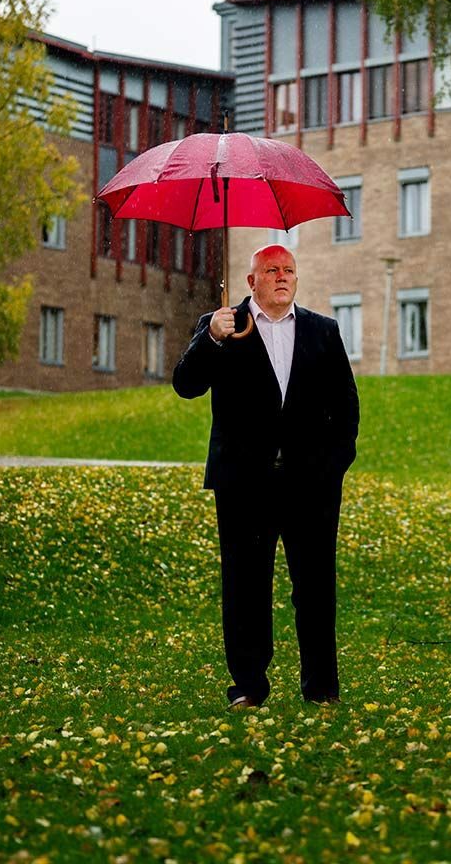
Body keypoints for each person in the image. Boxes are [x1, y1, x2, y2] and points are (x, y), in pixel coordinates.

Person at [172, 243, 359, 708]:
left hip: (310, 486)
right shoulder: (223, 326)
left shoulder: (323, 331)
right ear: (251, 281)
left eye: (289, 270)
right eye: (271, 270)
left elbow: (347, 408)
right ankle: (249, 687)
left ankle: (321, 687)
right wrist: (210, 338)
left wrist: (332, 468)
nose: (282, 277)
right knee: (245, 587)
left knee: (315, 588)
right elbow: (186, 384)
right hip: (243, 485)